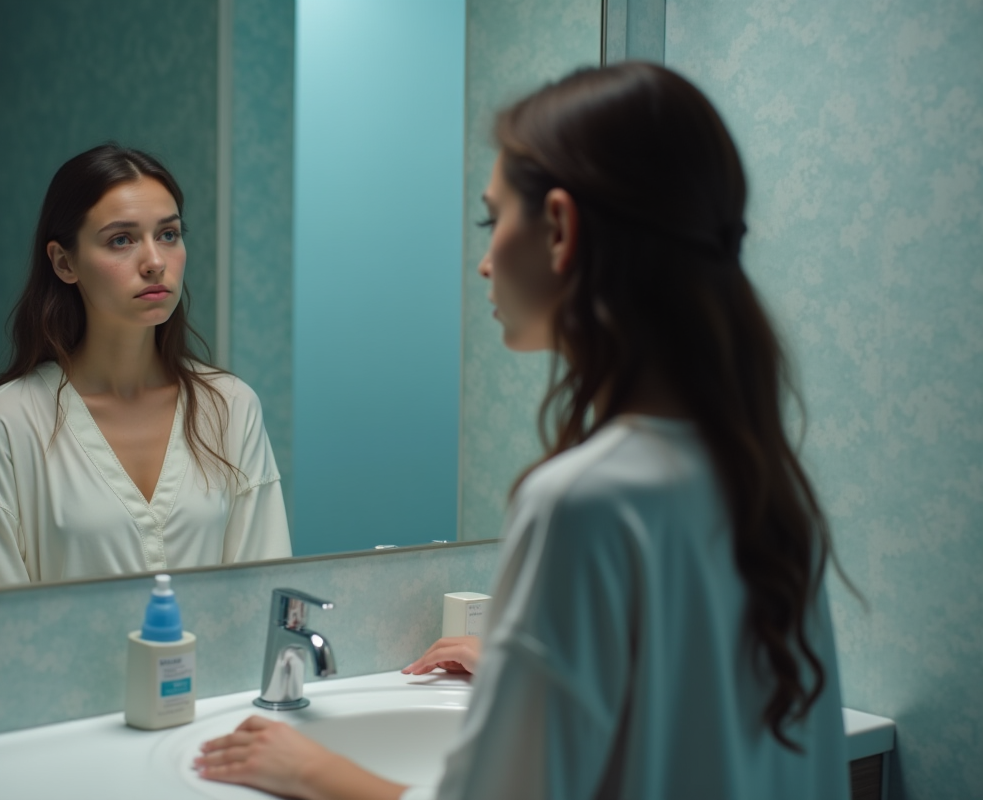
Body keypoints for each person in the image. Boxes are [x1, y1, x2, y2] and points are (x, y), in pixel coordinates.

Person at [193, 62, 853, 800]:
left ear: (561, 228)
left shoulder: (585, 502)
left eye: (491, 219)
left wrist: (313, 769)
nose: (483, 262)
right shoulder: (764, 485)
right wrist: (533, 672)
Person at [0, 144, 290, 589]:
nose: (155, 262)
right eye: (121, 240)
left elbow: (262, 593)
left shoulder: (230, 407)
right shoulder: (4, 423)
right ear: (64, 262)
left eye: (169, 234)